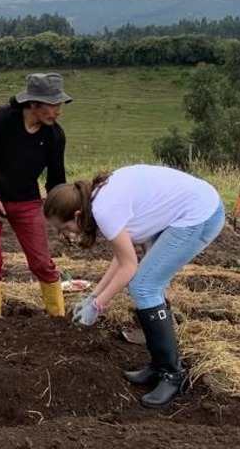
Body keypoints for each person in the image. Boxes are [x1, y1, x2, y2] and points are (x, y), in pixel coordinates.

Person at [43, 165, 226, 408]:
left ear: (77, 215)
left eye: (64, 229)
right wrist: (93, 296)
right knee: (149, 286)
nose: (64, 235)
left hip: (199, 215)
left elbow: (129, 267)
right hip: (191, 207)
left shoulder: (104, 210)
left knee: (144, 287)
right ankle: (159, 364)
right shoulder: (99, 199)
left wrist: (97, 307)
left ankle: (172, 375)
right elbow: (122, 257)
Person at [0, 72, 70, 318]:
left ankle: (58, 318)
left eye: (60, 105)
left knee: (42, 263)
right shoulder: (0, 120)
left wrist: (63, 220)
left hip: (28, 202)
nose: (58, 111)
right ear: (34, 103)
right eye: (53, 105)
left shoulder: (54, 136)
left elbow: (56, 183)